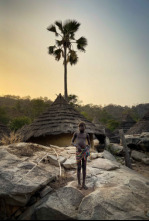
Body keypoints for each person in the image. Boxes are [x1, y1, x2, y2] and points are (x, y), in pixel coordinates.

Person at [71, 121, 91, 190]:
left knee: (84, 168)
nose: (81, 127)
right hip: (78, 152)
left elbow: (89, 144)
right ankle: (79, 183)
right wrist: (76, 145)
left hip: (84, 153)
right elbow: (72, 142)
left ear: (85, 127)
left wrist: (88, 148)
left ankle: (84, 184)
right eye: (80, 126)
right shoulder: (76, 134)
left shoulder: (86, 135)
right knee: (79, 167)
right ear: (78, 127)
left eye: (82, 126)